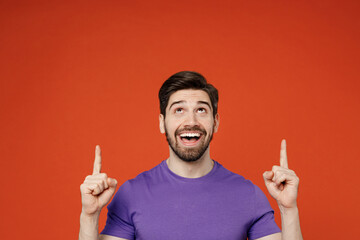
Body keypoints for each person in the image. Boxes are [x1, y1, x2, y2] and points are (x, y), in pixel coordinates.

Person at [79, 71, 303, 240]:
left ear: (215, 123)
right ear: (161, 123)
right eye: (179, 110)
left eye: (201, 110)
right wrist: (89, 216)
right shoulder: (131, 194)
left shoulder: (248, 194)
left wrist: (288, 209)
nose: (191, 121)